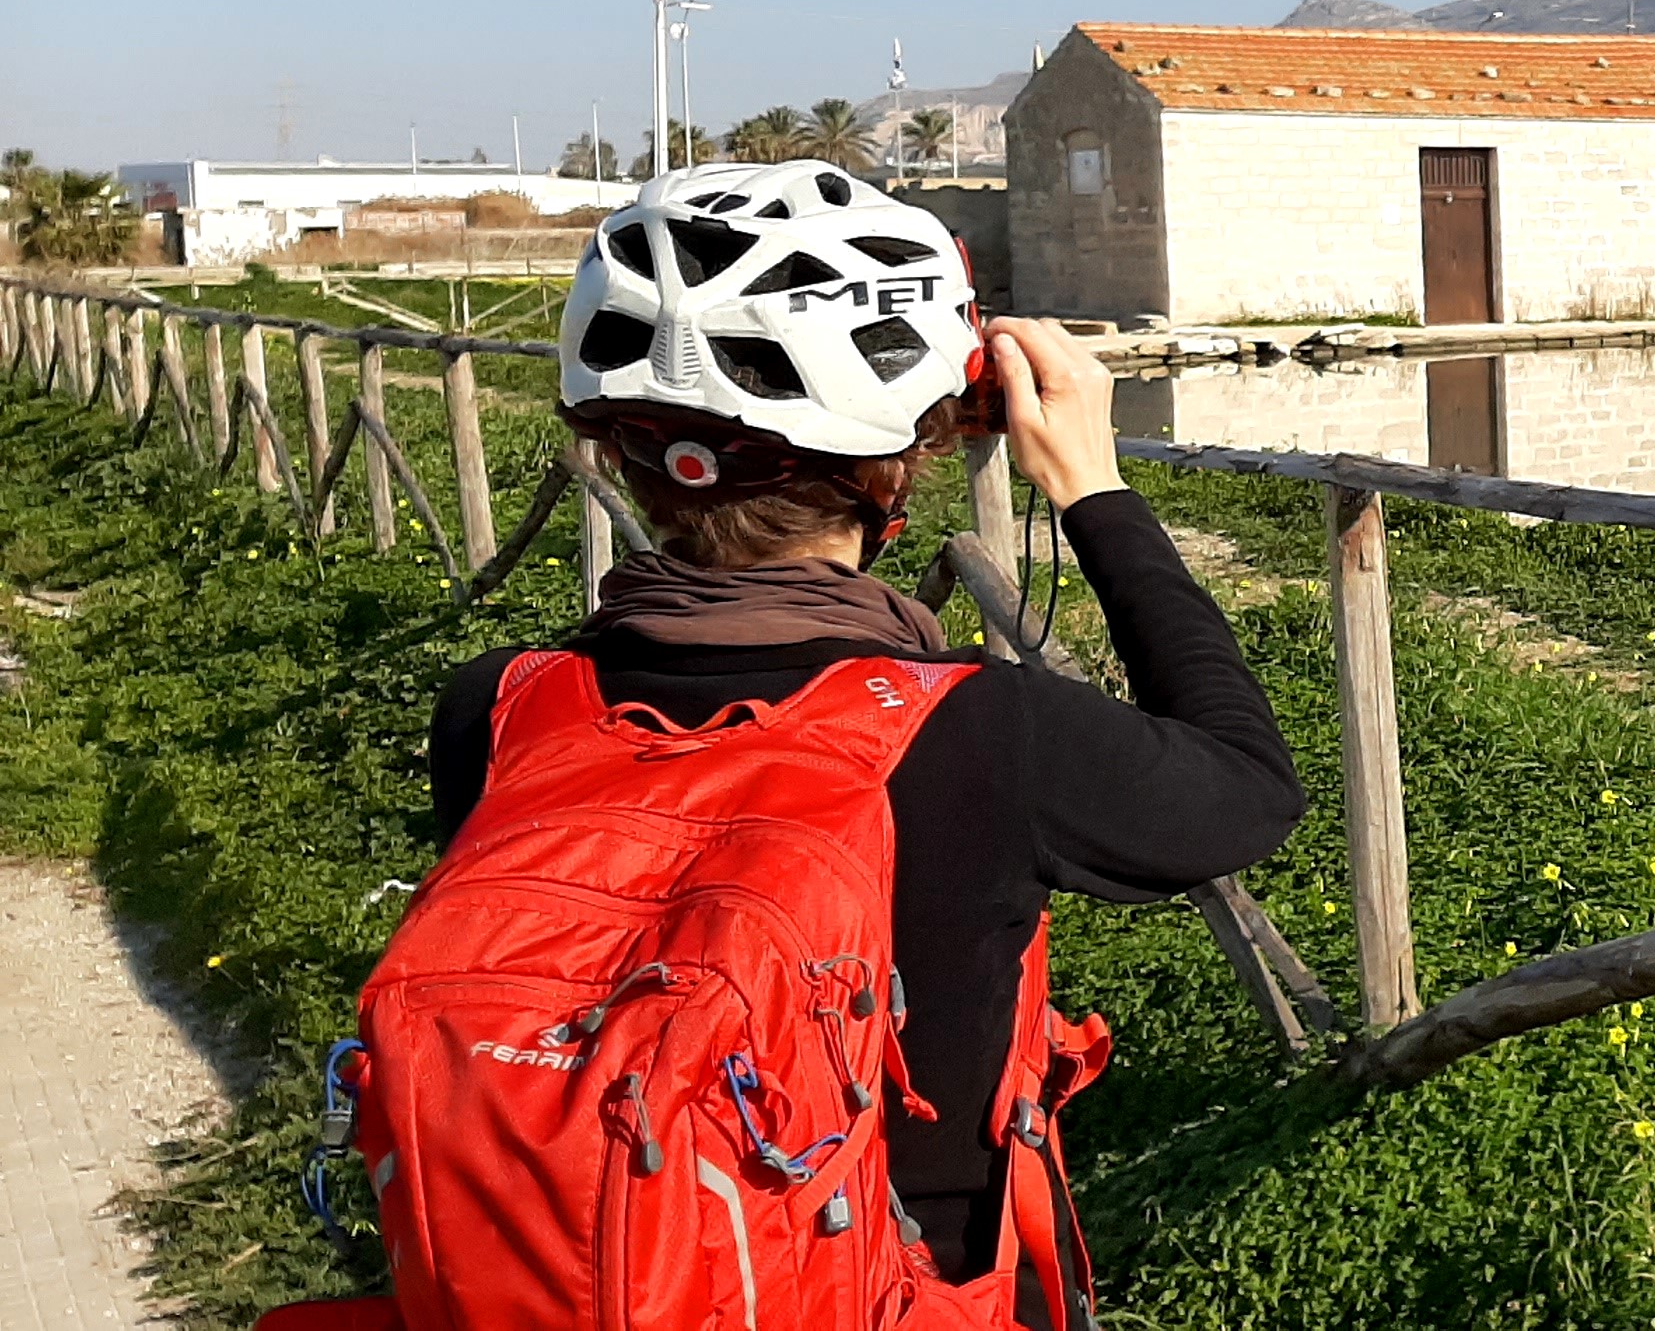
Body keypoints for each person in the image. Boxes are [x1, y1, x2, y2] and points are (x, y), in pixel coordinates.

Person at [302, 160, 1300, 1330]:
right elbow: (1248, 787)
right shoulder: (983, 731)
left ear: (621, 449)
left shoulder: (499, 708)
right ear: (899, 467)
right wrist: (1094, 487)